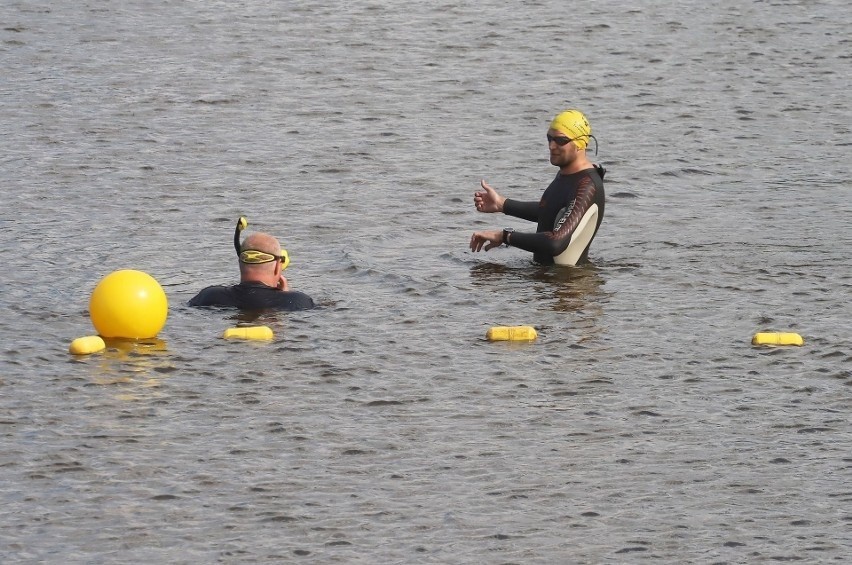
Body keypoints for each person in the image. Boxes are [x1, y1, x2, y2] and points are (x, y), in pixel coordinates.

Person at [469, 109, 606, 266]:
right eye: (549, 138)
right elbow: (550, 211)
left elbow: (556, 242)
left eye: (561, 140)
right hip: (547, 281)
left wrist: (505, 236)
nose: (551, 145)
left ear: (581, 144)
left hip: (568, 284)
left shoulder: (587, 186)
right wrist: (502, 204)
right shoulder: (567, 175)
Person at [189, 232, 315, 311]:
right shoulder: (299, 301)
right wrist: (286, 295)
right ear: (278, 266)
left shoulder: (208, 296)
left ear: (240, 263)